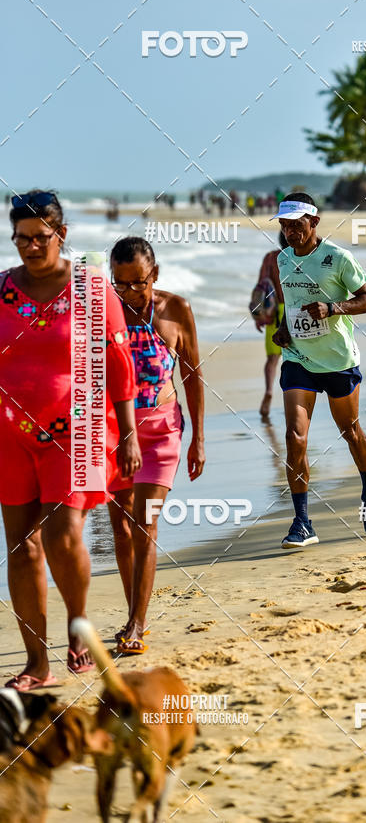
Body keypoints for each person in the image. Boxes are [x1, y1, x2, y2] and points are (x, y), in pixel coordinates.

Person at [0, 190, 141, 690]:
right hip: (10, 435)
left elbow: (120, 368)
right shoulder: (0, 290)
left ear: (61, 235)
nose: (31, 247)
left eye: (41, 237)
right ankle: (38, 664)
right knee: (22, 548)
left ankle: (78, 629)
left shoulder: (91, 290)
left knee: (63, 538)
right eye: (22, 238)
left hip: (77, 432)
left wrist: (128, 435)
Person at [108, 237, 205, 655]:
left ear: (156, 275)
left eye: (137, 283)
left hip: (164, 432)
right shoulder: (104, 314)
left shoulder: (176, 310)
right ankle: (135, 609)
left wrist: (198, 437)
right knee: (121, 527)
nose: (129, 292)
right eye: (120, 284)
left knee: (145, 524)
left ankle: (136, 622)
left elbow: (193, 376)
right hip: (115, 433)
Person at [270, 192, 366, 548]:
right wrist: (285, 328)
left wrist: (333, 308)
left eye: (297, 225)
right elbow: (289, 304)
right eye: (285, 226)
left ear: (314, 222)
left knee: (350, 431)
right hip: (298, 359)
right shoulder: (282, 259)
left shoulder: (338, 258)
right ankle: (302, 522)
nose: (290, 233)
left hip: (337, 361)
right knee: (294, 436)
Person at [252, 232, 288, 418]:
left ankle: (269, 391)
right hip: (295, 310)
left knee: (273, 359)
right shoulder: (299, 258)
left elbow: (261, 287)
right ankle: (294, 398)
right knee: (296, 361)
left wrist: (259, 315)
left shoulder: (270, 258)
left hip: (275, 312)